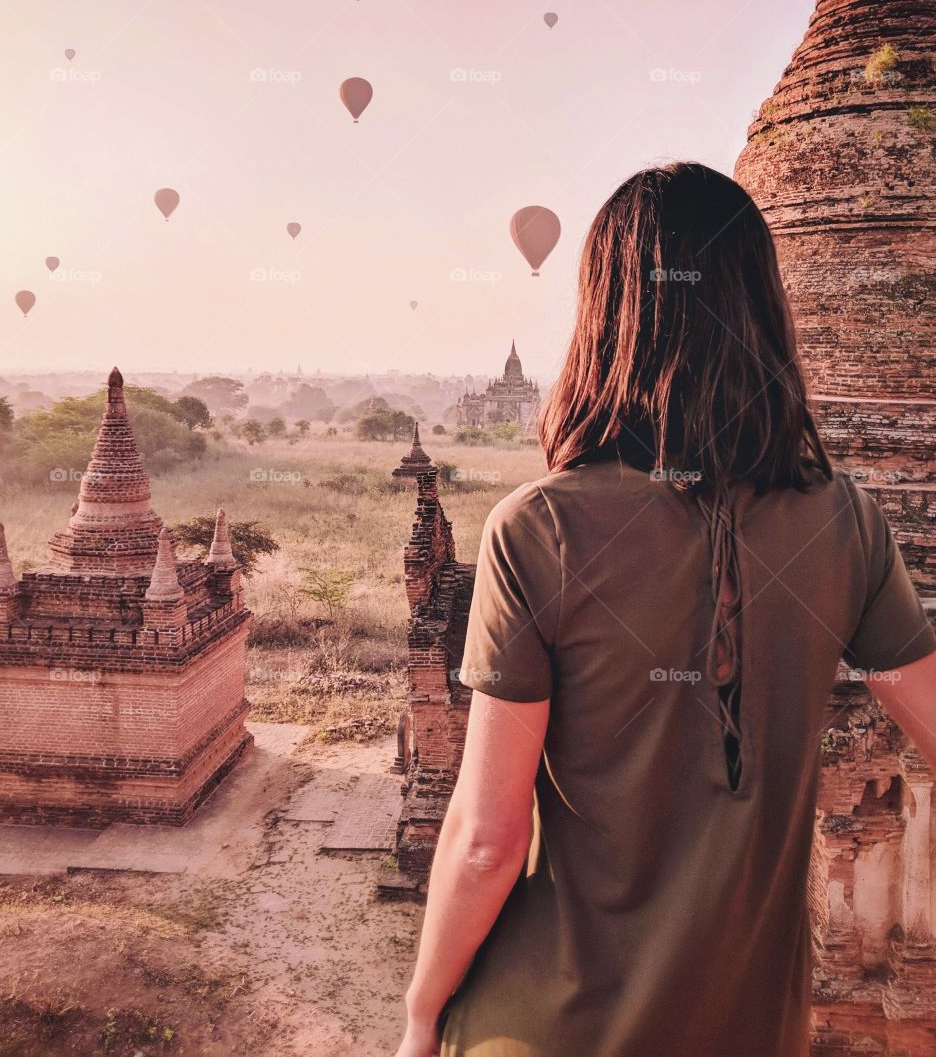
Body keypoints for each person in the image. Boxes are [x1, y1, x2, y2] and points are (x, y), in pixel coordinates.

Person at [394, 163, 936, 1057]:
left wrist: (420, 1017)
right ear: (765, 307)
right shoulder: (847, 521)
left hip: (545, 1028)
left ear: (604, 314)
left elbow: (488, 841)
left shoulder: (540, 529)